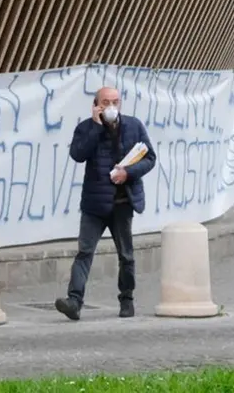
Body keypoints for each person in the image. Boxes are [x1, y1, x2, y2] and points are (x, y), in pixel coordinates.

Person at [54, 86, 156, 321]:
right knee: (84, 252)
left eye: (115, 102)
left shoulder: (133, 126)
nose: (111, 107)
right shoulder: (86, 128)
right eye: (105, 102)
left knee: (126, 255)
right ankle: (74, 301)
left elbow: (150, 158)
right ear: (96, 105)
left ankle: (127, 298)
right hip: (95, 204)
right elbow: (78, 155)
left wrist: (128, 173)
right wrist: (95, 126)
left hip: (123, 202)